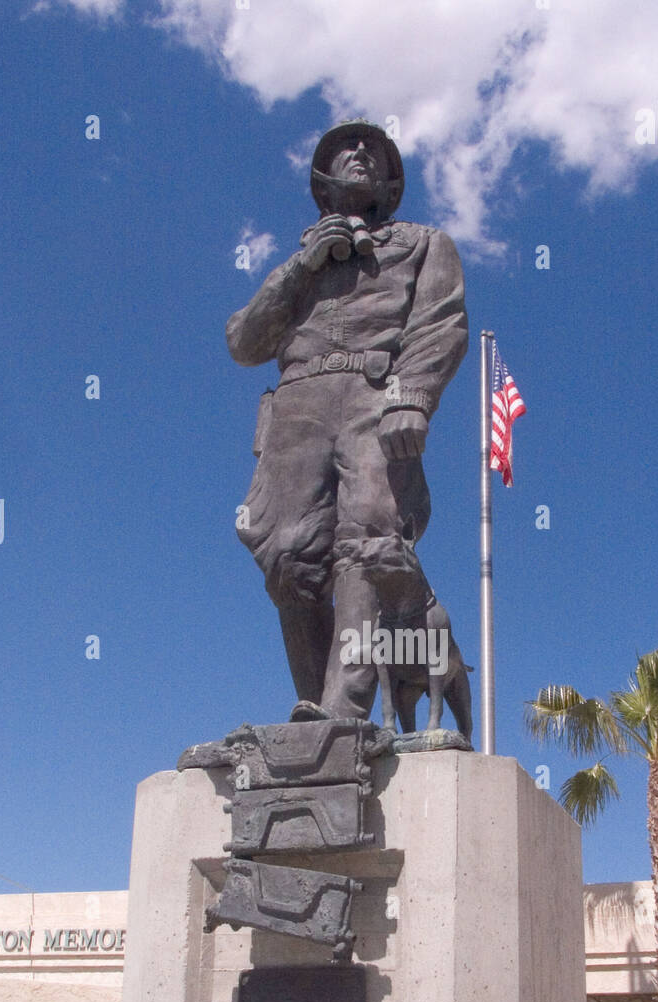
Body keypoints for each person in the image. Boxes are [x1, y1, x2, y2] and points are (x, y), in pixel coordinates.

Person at [226, 120, 469, 722]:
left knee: (368, 540)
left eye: (373, 152)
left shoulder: (424, 243)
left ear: (388, 182)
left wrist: (411, 394)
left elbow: (442, 324)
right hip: (296, 405)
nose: (360, 153)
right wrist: (300, 270)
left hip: (375, 394)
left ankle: (343, 710)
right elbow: (243, 342)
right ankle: (313, 706)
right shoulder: (296, 266)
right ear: (323, 183)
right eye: (346, 149)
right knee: (284, 555)